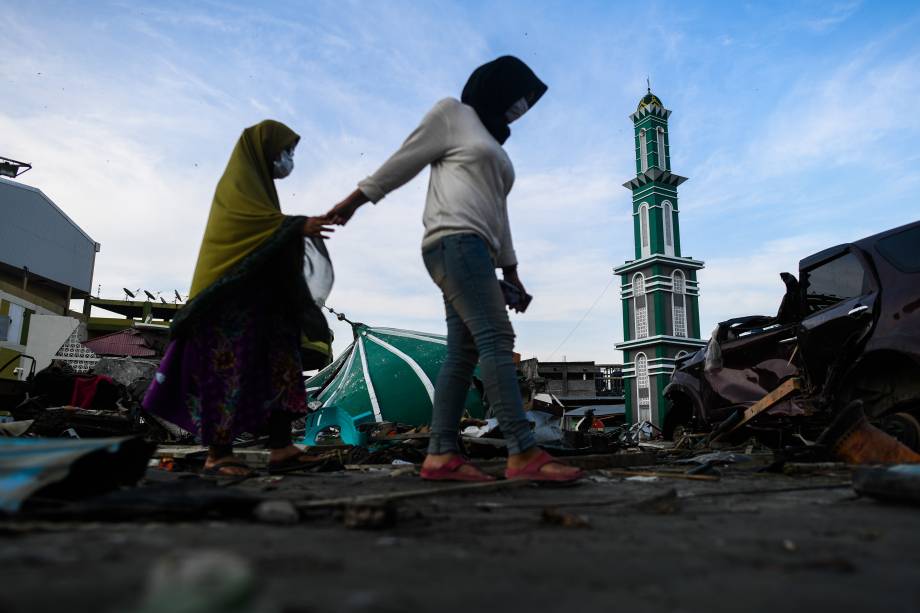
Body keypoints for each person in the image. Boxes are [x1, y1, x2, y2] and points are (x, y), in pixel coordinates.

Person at [327, 56, 583, 483]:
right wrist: (354, 201)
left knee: (463, 353)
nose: (522, 108)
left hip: (477, 248)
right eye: (520, 96)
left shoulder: (493, 144)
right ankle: (523, 453)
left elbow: (499, 215)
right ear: (499, 86)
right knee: (496, 338)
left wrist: (512, 273)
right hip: (454, 241)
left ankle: (441, 454)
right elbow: (404, 159)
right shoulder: (454, 115)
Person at [143, 120, 333, 477]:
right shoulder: (237, 188)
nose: (288, 160)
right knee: (226, 372)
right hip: (228, 306)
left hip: (263, 306)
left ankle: (281, 447)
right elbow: (250, 229)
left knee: (282, 366)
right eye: (284, 151)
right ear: (262, 151)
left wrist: (290, 229)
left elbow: (267, 233)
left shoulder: (263, 194)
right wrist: (296, 226)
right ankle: (219, 454)